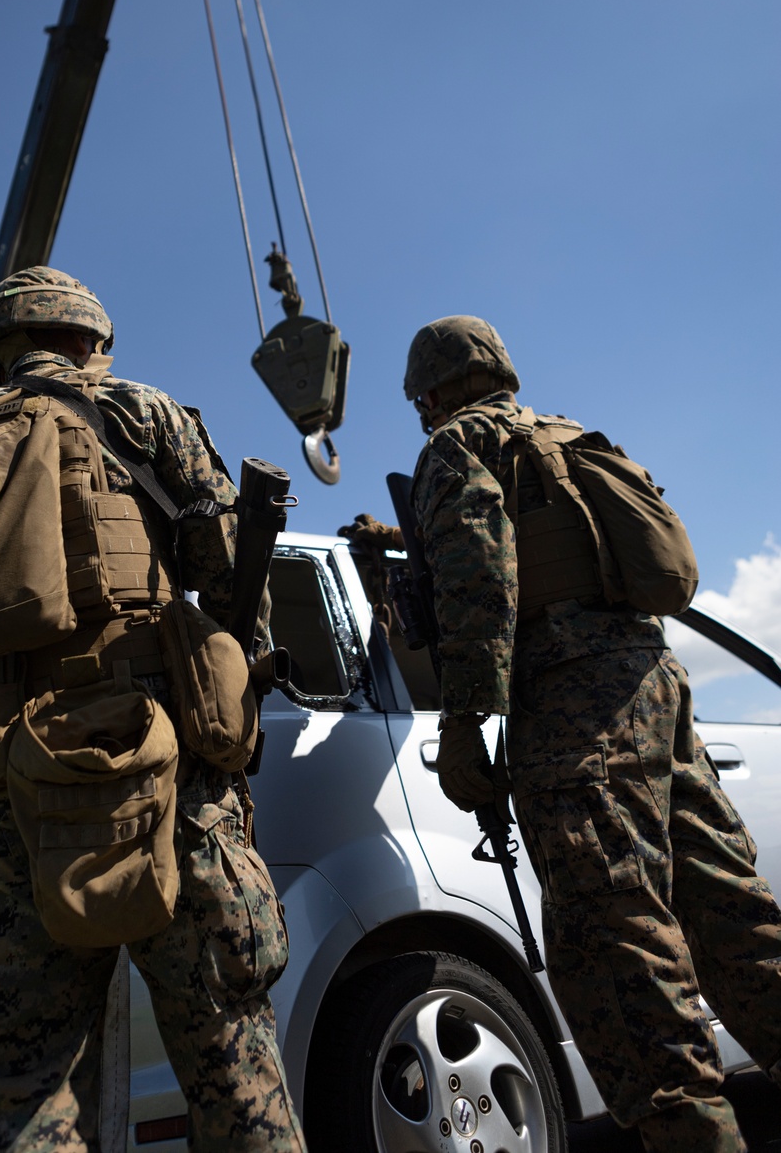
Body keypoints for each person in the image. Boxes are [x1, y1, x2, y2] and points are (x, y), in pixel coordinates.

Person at [344, 315, 781, 1153]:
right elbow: (534, 542)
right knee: (738, 930)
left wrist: (467, 726)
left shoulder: (455, 446)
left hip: (573, 727)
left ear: (431, 392)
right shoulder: (565, 439)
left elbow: (480, 582)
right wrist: (405, 543)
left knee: (624, 972)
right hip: (656, 697)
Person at [0, 266, 305, 1153]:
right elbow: (223, 563)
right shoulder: (143, 411)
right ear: (90, 338)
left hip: (26, 795)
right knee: (231, 1057)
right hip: (166, 773)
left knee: (23, 1085)